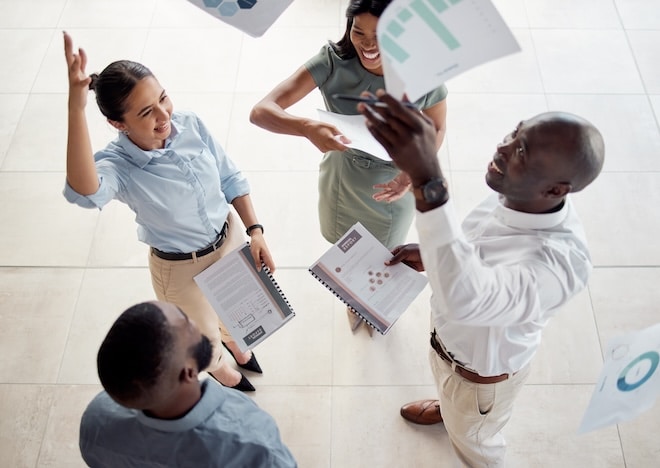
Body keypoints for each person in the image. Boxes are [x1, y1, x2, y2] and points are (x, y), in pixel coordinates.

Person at [358, 91, 605, 467]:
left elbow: (468, 299)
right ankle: (447, 407)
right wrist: (433, 256)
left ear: (555, 190)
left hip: (476, 382)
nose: (502, 148)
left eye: (521, 151)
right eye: (513, 133)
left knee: (477, 444)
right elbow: (473, 253)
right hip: (451, 346)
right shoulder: (514, 194)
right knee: (449, 391)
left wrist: (428, 179)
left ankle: (464, 424)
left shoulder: (559, 266)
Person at [63, 32, 271, 391]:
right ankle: (223, 369)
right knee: (202, 338)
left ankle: (236, 345)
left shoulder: (189, 123)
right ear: (118, 123)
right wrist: (75, 110)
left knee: (237, 311)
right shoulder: (120, 168)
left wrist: (255, 229)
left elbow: (229, 176)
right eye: (147, 112)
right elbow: (85, 191)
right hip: (180, 268)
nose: (164, 117)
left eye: (163, 99)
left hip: (230, 236)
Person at [249, 0, 448, 333]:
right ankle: (353, 298)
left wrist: (409, 173)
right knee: (346, 248)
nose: (368, 45)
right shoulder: (332, 61)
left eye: (380, 35)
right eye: (359, 32)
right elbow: (261, 111)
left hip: (393, 184)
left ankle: (375, 300)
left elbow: (437, 127)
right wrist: (305, 127)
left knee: (387, 253)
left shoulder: (424, 74)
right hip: (342, 176)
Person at [79, 301, 297, 467]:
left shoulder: (96, 421)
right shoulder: (251, 442)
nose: (193, 322)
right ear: (189, 372)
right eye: (185, 323)